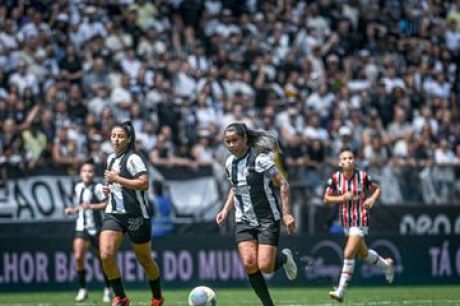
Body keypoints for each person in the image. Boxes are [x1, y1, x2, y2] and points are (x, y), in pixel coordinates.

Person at [216, 122, 298, 306]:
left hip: (267, 219)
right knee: (249, 263)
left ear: (244, 139)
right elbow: (235, 187)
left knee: (266, 267)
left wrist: (286, 214)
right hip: (244, 220)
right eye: (227, 142)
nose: (230, 145)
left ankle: (284, 257)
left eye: (234, 140)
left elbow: (283, 184)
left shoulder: (261, 160)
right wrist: (225, 209)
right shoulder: (229, 163)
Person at [100, 121, 164, 306]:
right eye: (113, 135)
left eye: (120, 136)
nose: (116, 139)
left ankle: (157, 298)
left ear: (128, 139)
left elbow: (144, 183)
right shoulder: (110, 158)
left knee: (144, 259)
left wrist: (116, 179)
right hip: (114, 214)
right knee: (105, 255)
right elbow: (115, 184)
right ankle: (121, 298)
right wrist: (108, 189)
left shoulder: (133, 158)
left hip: (136, 215)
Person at [324, 147, 395, 303]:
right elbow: (326, 198)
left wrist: (372, 199)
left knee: (349, 252)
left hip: (360, 219)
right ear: (340, 162)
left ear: (354, 160)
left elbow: (377, 189)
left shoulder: (362, 176)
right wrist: (343, 197)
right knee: (363, 254)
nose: (348, 161)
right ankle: (386, 265)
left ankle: (341, 290)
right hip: (345, 222)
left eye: (350, 158)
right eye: (344, 158)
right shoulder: (335, 179)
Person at [64, 161, 112, 303]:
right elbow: (81, 206)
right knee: (78, 256)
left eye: (90, 171)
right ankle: (82, 289)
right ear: (80, 173)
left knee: (103, 260)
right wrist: (73, 210)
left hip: (97, 229)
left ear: (94, 174)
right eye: (84, 171)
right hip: (82, 227)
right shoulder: (78, 187)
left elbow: (107, 204)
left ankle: (108, 289)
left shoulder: (98, 187)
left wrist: (91, 206)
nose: (87, 173)